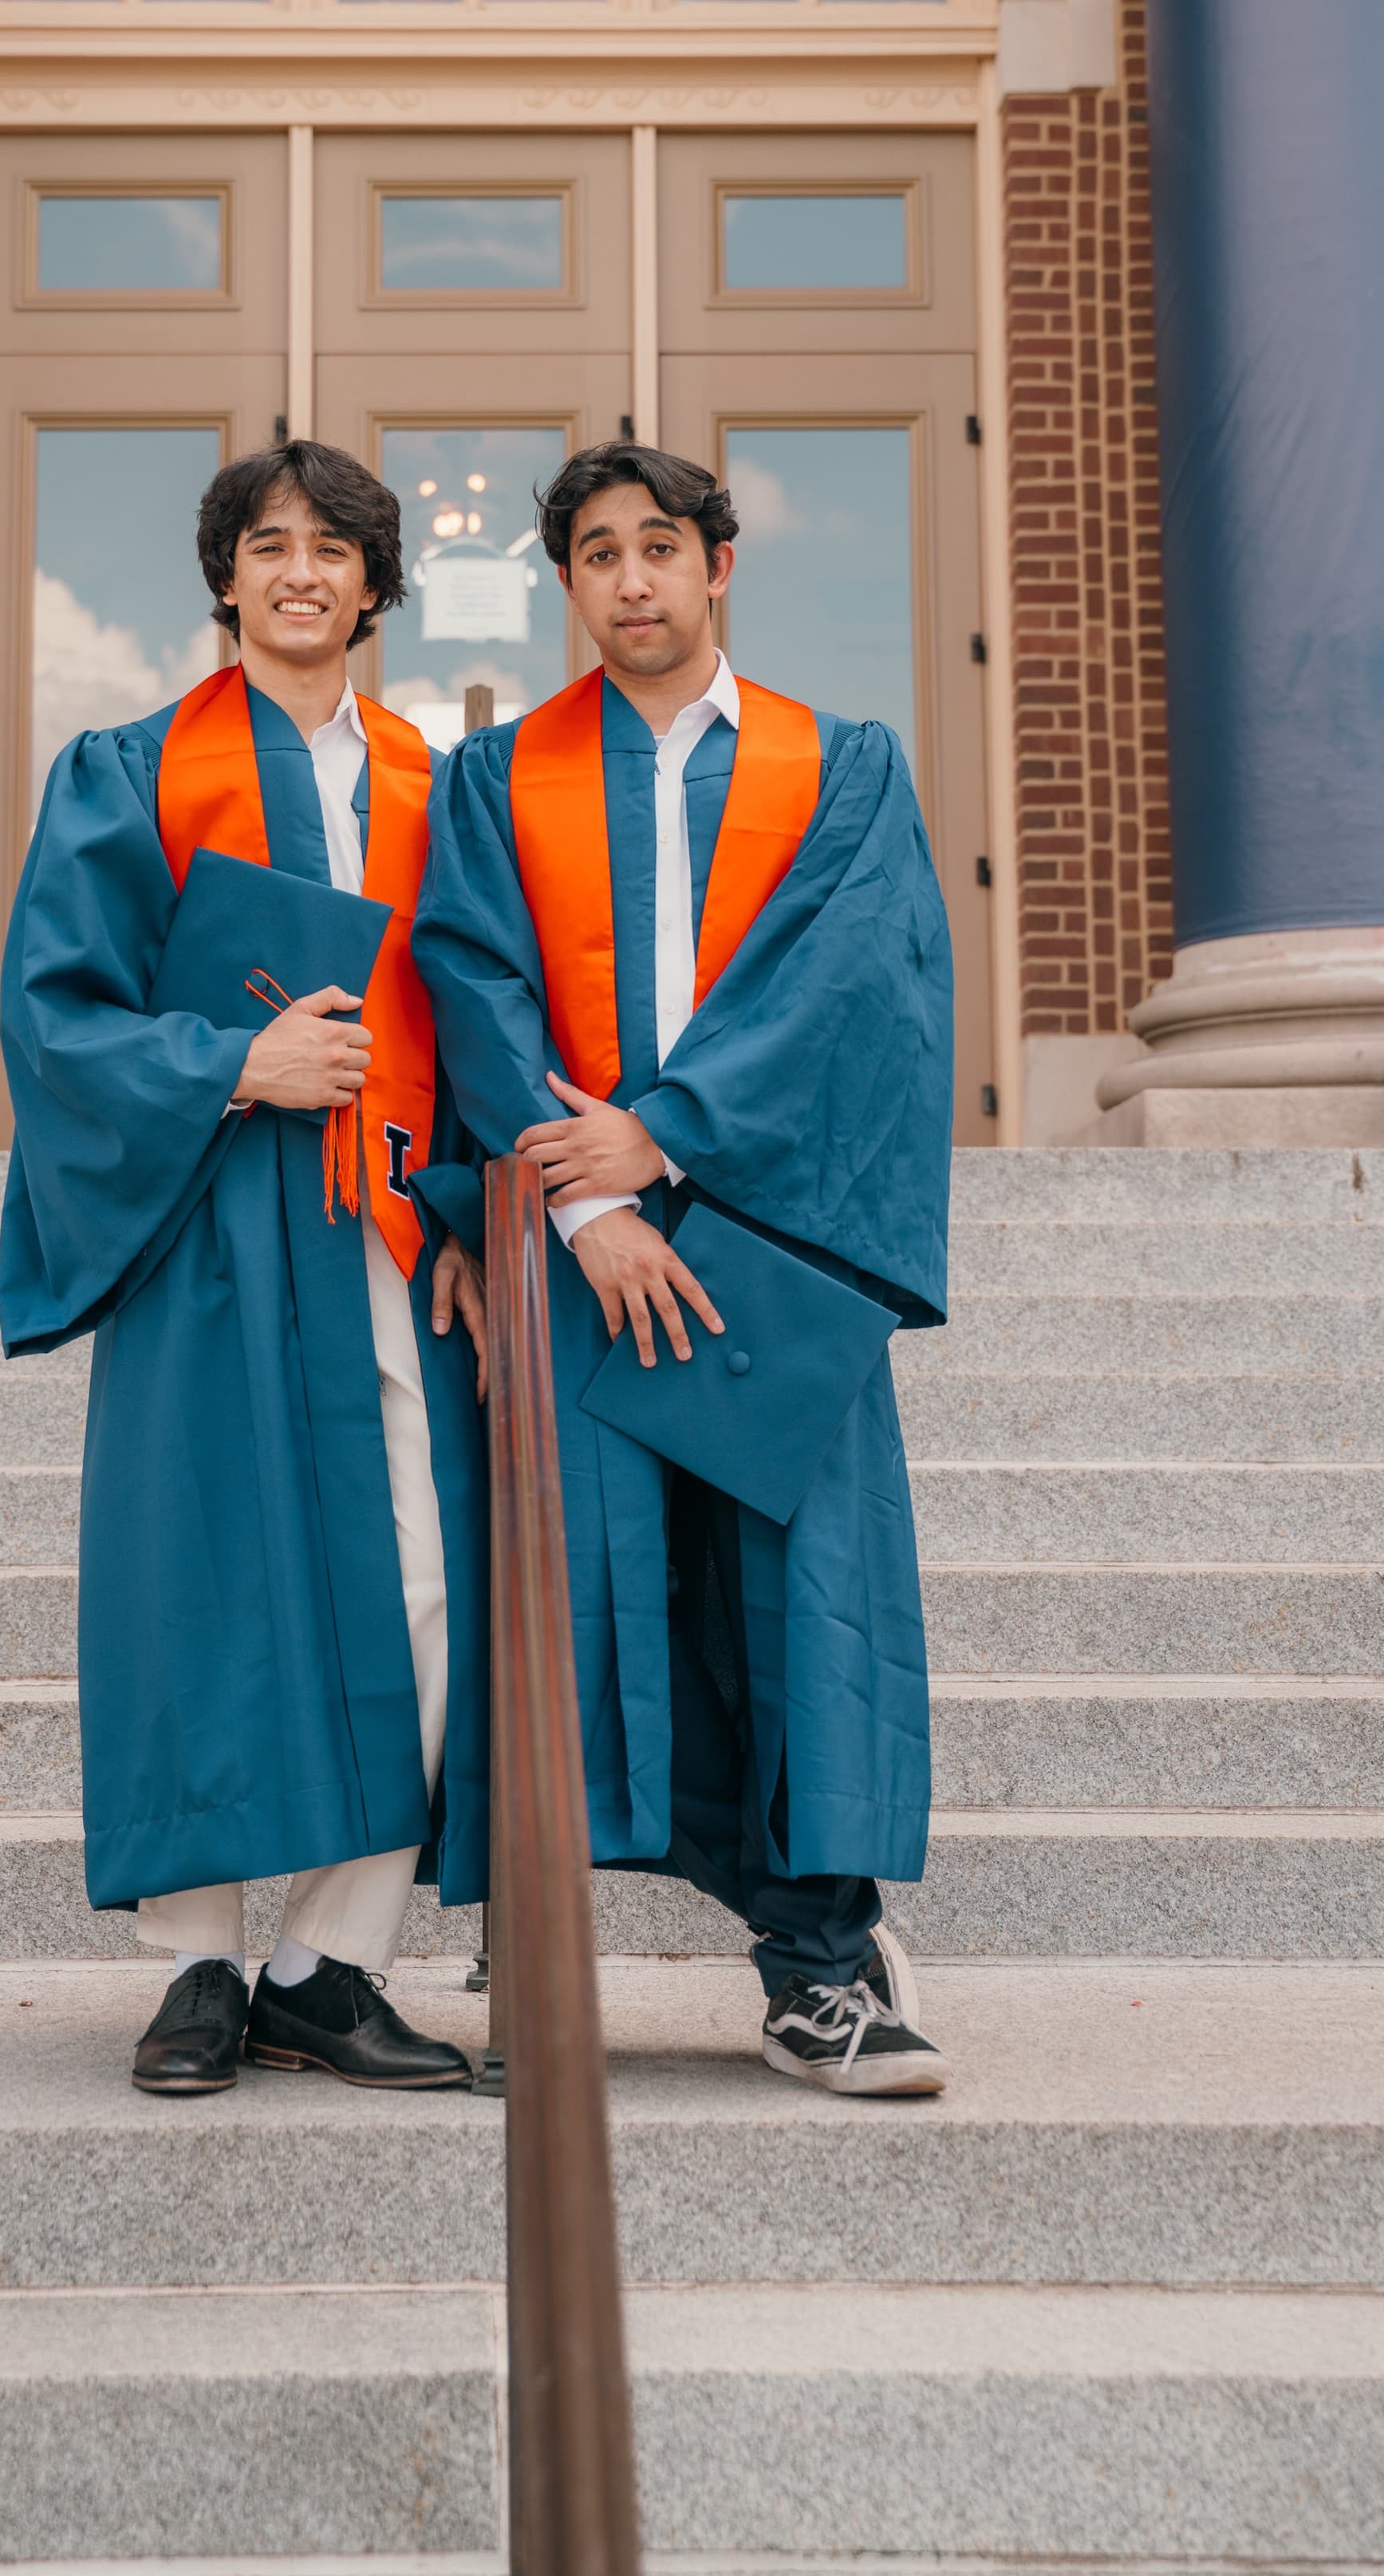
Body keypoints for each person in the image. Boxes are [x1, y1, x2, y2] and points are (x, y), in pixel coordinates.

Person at [412, 439, 953, 2094]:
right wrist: (585, 1209)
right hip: (581, 1256)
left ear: (720, 564)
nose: (632, 579)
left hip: (775, 1244)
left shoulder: (839, 763)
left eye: (660, 545)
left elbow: (851, 987)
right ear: (566, 584)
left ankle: (821, 1971)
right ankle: (559, 1966)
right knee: (586, 1605)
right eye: (598, 553)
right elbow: (472, 988)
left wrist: (666, 1140)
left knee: (794, 1610)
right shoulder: (498, 778)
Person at [0, 439, 491, 2097]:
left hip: (386, 1224)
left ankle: (328, 1964)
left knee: (428, 1578)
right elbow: (56, 1011)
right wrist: (231, 1064)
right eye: (269, 544)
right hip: (205, 1211)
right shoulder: (130, 771)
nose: (301, 572)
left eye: (334, 547)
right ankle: (198, 1964)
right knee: (196, 1581)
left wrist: (477, 1209)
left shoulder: (439, 785)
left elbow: (483, 1015)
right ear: (227, 576)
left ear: (374, 583)